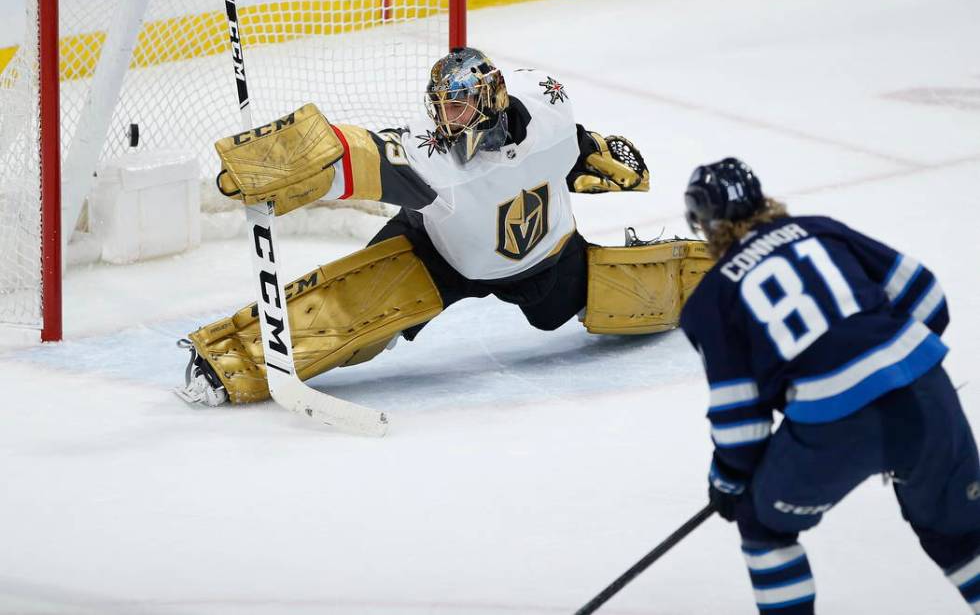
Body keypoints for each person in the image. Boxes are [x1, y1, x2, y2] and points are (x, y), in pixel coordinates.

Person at [175, 48, 712, 406]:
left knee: (605, 300)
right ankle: (231, 361)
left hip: (546, 254)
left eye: (456, 108)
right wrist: (295, 162)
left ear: (490, 98)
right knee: (354, 309)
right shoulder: (432, 159)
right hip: (438, 256)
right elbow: (358, 154)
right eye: (440, 107)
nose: (444, 120)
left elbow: (562, 139)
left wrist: (588, 151)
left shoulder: (547, 105)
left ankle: (701, 275)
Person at [679, 157, 980, 613]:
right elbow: (926, 295)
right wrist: (897, 370)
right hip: (925, 393)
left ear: (704, 223)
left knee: (763, 528)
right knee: (962, 536)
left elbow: (742, 424)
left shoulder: (712, 298)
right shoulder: (820, 229)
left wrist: (728, 480)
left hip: (836, 428)